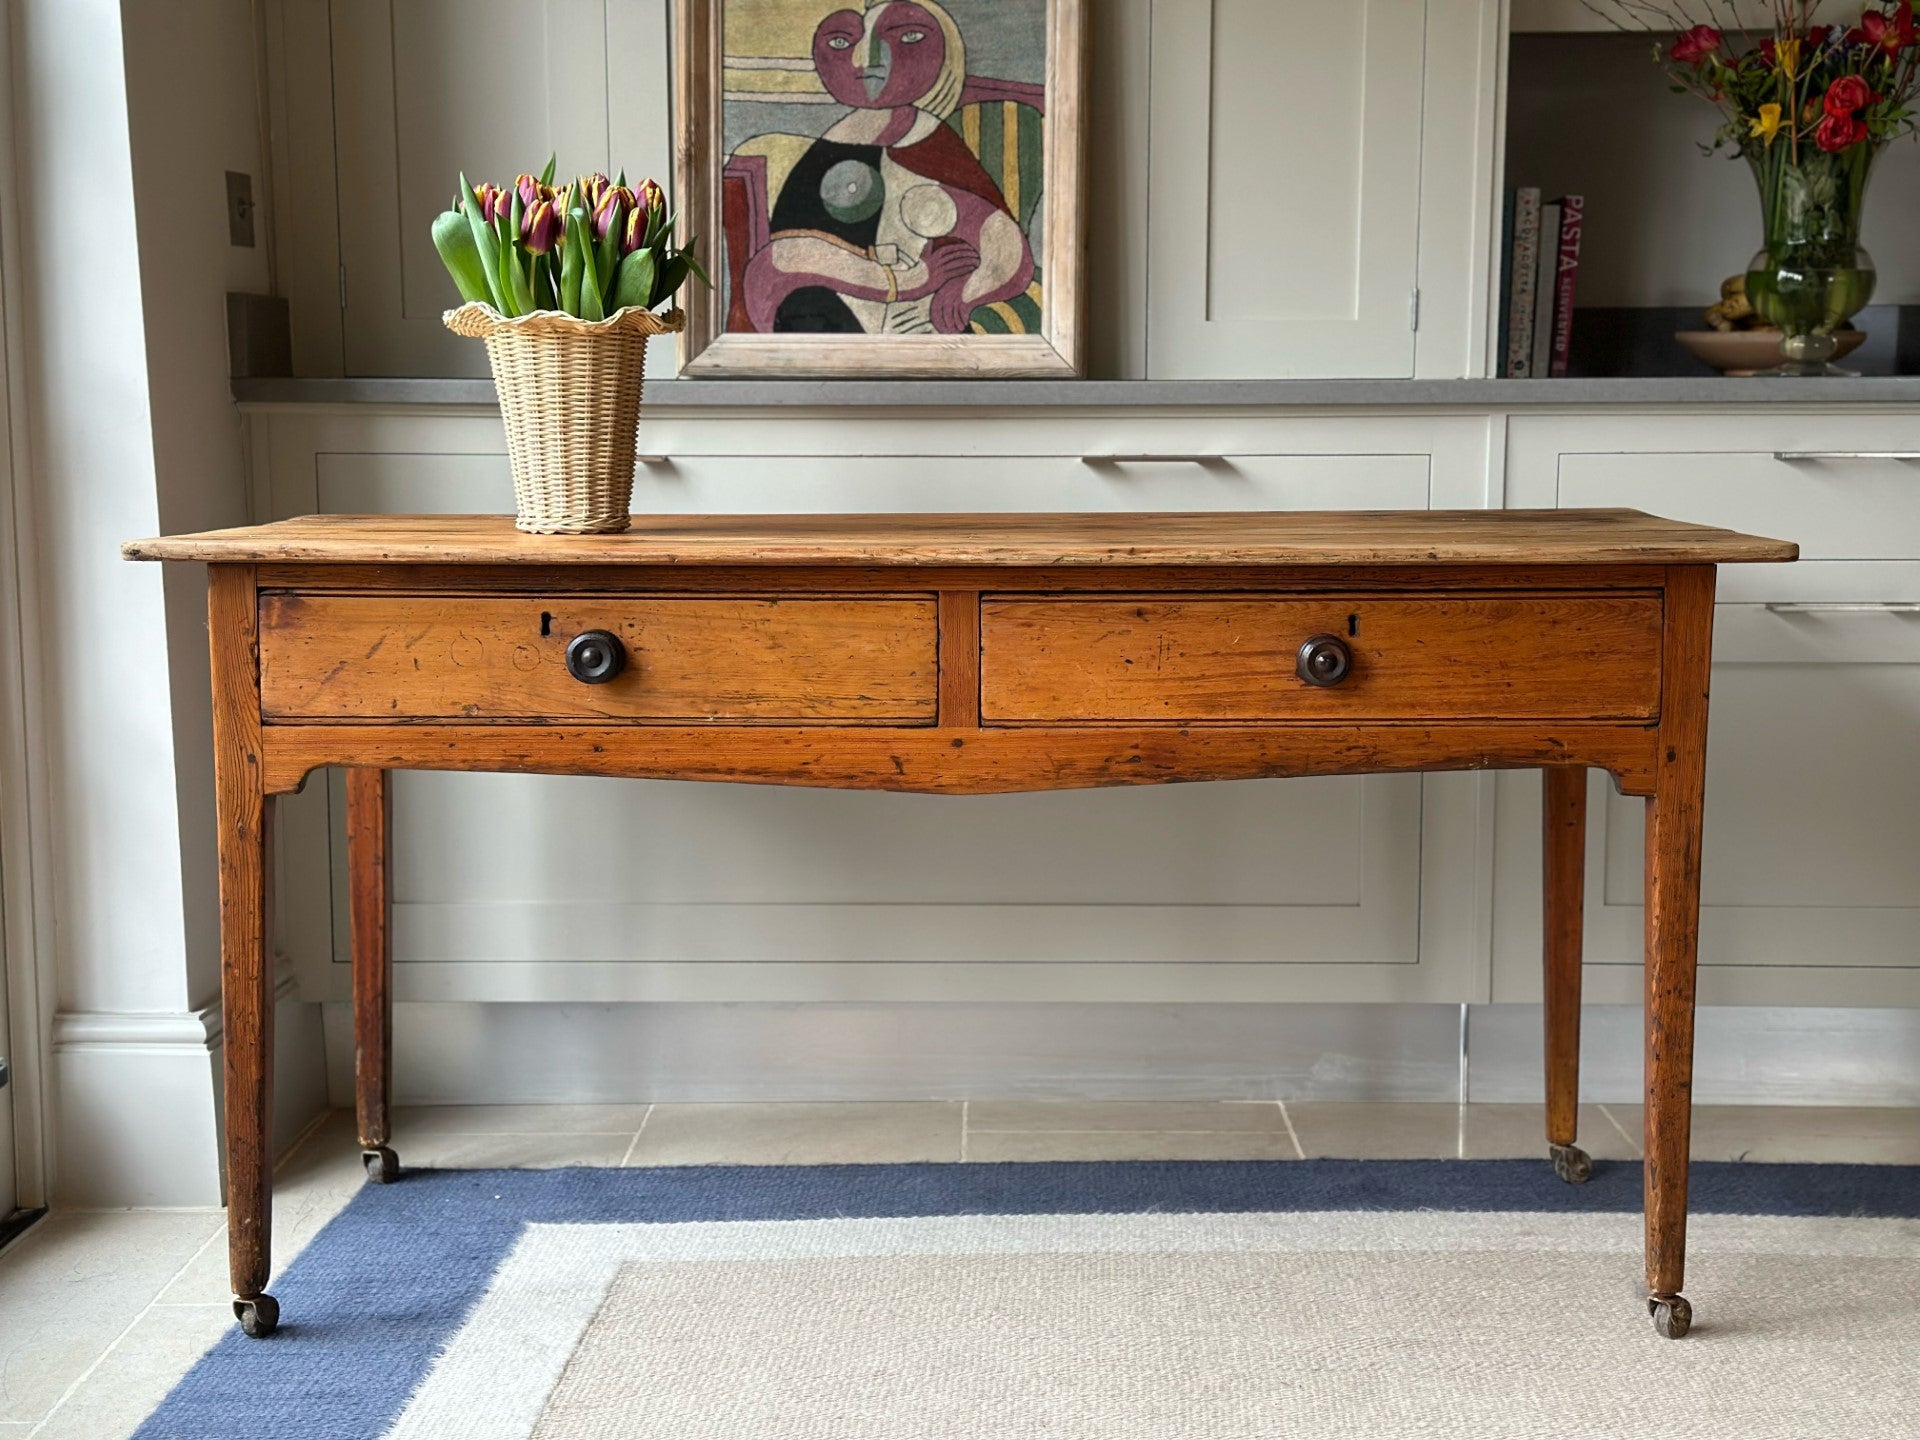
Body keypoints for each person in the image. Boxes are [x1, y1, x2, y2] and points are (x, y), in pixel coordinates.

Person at [740, 0, 1035, 335]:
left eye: (907, 37)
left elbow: (1004, 246)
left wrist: (964, 294)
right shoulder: (834, 145)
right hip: (833, 314)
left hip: (915, 323)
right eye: (841, 42)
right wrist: (904, 281)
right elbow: (784, 259)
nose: (868, 61)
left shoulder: (931, 143)